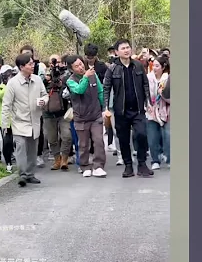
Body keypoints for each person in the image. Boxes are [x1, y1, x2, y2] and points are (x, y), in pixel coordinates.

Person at [103, 39, 153, 178]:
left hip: (137, 109)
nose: (126, 50)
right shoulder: (112, 68)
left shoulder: (138, 65)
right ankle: (128, 166)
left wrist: (148, 102)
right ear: (117, 52)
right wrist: (106, 107)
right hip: (121, 110)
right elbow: (106, 88)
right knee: (123, 139)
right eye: (123, 48)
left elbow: (145, 84)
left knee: (142, 134)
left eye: (128, 47)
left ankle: (142, 164)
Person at [1, 53, 49, 187]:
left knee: (33, 149)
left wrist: (43, 101)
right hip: (19, 122)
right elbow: (6, 105)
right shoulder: (13, 83)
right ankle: (22, 174)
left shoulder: (37, 80)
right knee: (21, 147)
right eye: (30, 64)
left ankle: (30, 174)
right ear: (22, 67)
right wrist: (5, 125)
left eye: (33, 63)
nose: (33, 66)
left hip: (34, 120)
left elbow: (45, 95)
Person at [66, 56, 107, 178]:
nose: (81, 67)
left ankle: (98, 166)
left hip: (95, 115)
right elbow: (79, 90)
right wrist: (85, 77)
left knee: (98, 141)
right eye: (76, 66)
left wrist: (104, 108)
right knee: (83, 144)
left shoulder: (93, 75)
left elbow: (100, 91)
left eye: (81, 64)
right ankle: (84, 166)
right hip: (81, 118)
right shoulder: (70, 81)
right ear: (71, 69)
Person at [42, 54, 72, 171]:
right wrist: (46, 79)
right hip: (48, 114)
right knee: (52, 138)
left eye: (58, 61)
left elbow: (70, 89)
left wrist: (61, 83)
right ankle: (56, 159)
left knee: (67, 136)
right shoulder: (43, 76)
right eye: (54, 62)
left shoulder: (66, 75)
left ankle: (64, 159)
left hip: (63, 112)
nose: (56, 64)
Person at [19, 45, 46, 167]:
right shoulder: (14, 79)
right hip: (20, 115)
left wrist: (43, 100)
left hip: (35, 111)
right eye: (24, 54)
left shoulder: (38, 74)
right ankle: (23, 168)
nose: (27, 56)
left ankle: (37, 157)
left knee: (36, 134)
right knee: (21, 140)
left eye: (29, 54)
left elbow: (44, 94)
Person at [146, 55, 171, 170]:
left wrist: (162, 93)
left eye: (157, 66)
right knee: (152, 137)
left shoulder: (168, 79)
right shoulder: (148, 78)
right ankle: (155, 160)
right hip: (151, 110)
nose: (154, 68)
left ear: (163, 67)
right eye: (153, 65)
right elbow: (144, 94)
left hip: (166, 111)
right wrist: (147, 105)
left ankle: (169, 158)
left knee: (168, 136)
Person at [0, 65, 17, 172]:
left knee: (19, 142)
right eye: (8, 74)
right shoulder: (0, 87)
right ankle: (8, 163)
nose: (10, 76)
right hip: (5, 121)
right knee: (7, 142)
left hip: (17, 119)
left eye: (11, 74)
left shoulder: (16, 86)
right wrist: (8, 85)